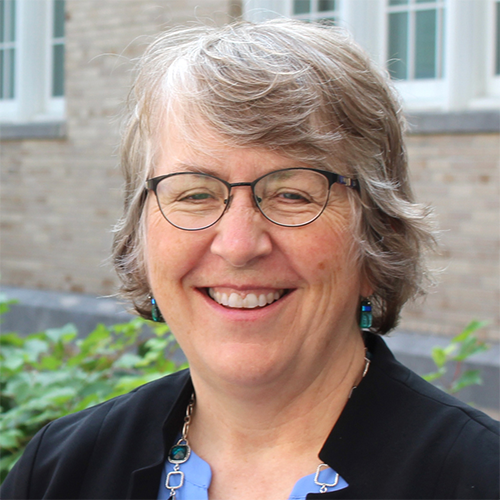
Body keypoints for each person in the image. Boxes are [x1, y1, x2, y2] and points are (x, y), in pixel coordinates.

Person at [1, 19, 499, 500]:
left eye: (293, 194)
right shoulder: (59, 471)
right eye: (195, 194)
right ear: (141, 235)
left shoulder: (479, 476)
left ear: (379, 234)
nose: (238, 245)